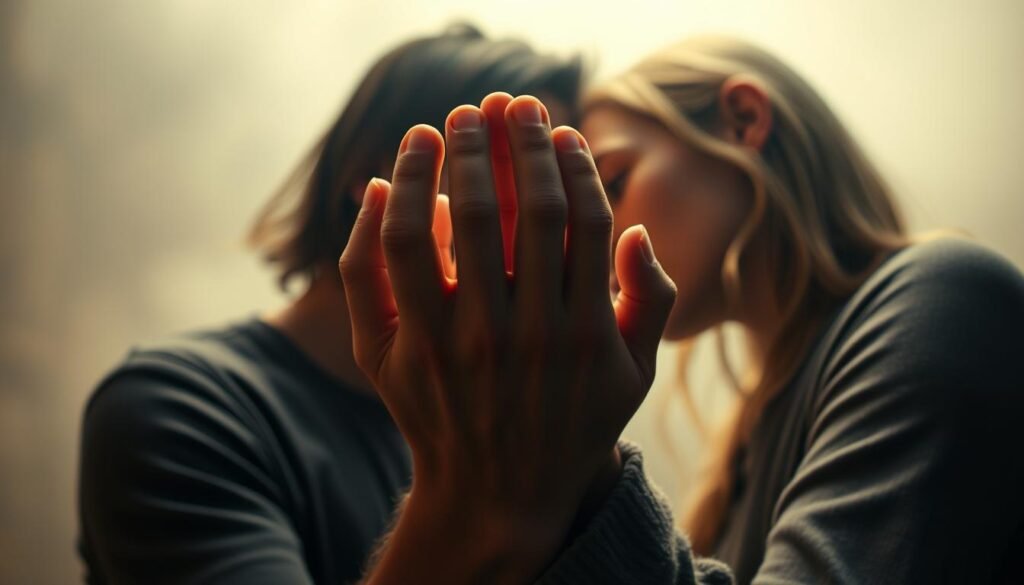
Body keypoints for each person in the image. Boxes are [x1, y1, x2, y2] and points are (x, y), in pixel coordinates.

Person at [339, 36, 1024, 584]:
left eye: (610, 179)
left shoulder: (943, 296)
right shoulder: (751, 441)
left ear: (743, 119)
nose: (587, 227)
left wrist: (574, 463)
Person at [76, 24, 582, 584]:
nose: (549, 215)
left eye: (567, 183)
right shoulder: (179, 411)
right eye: (513, 171)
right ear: (369, 171)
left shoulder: (518, 427)